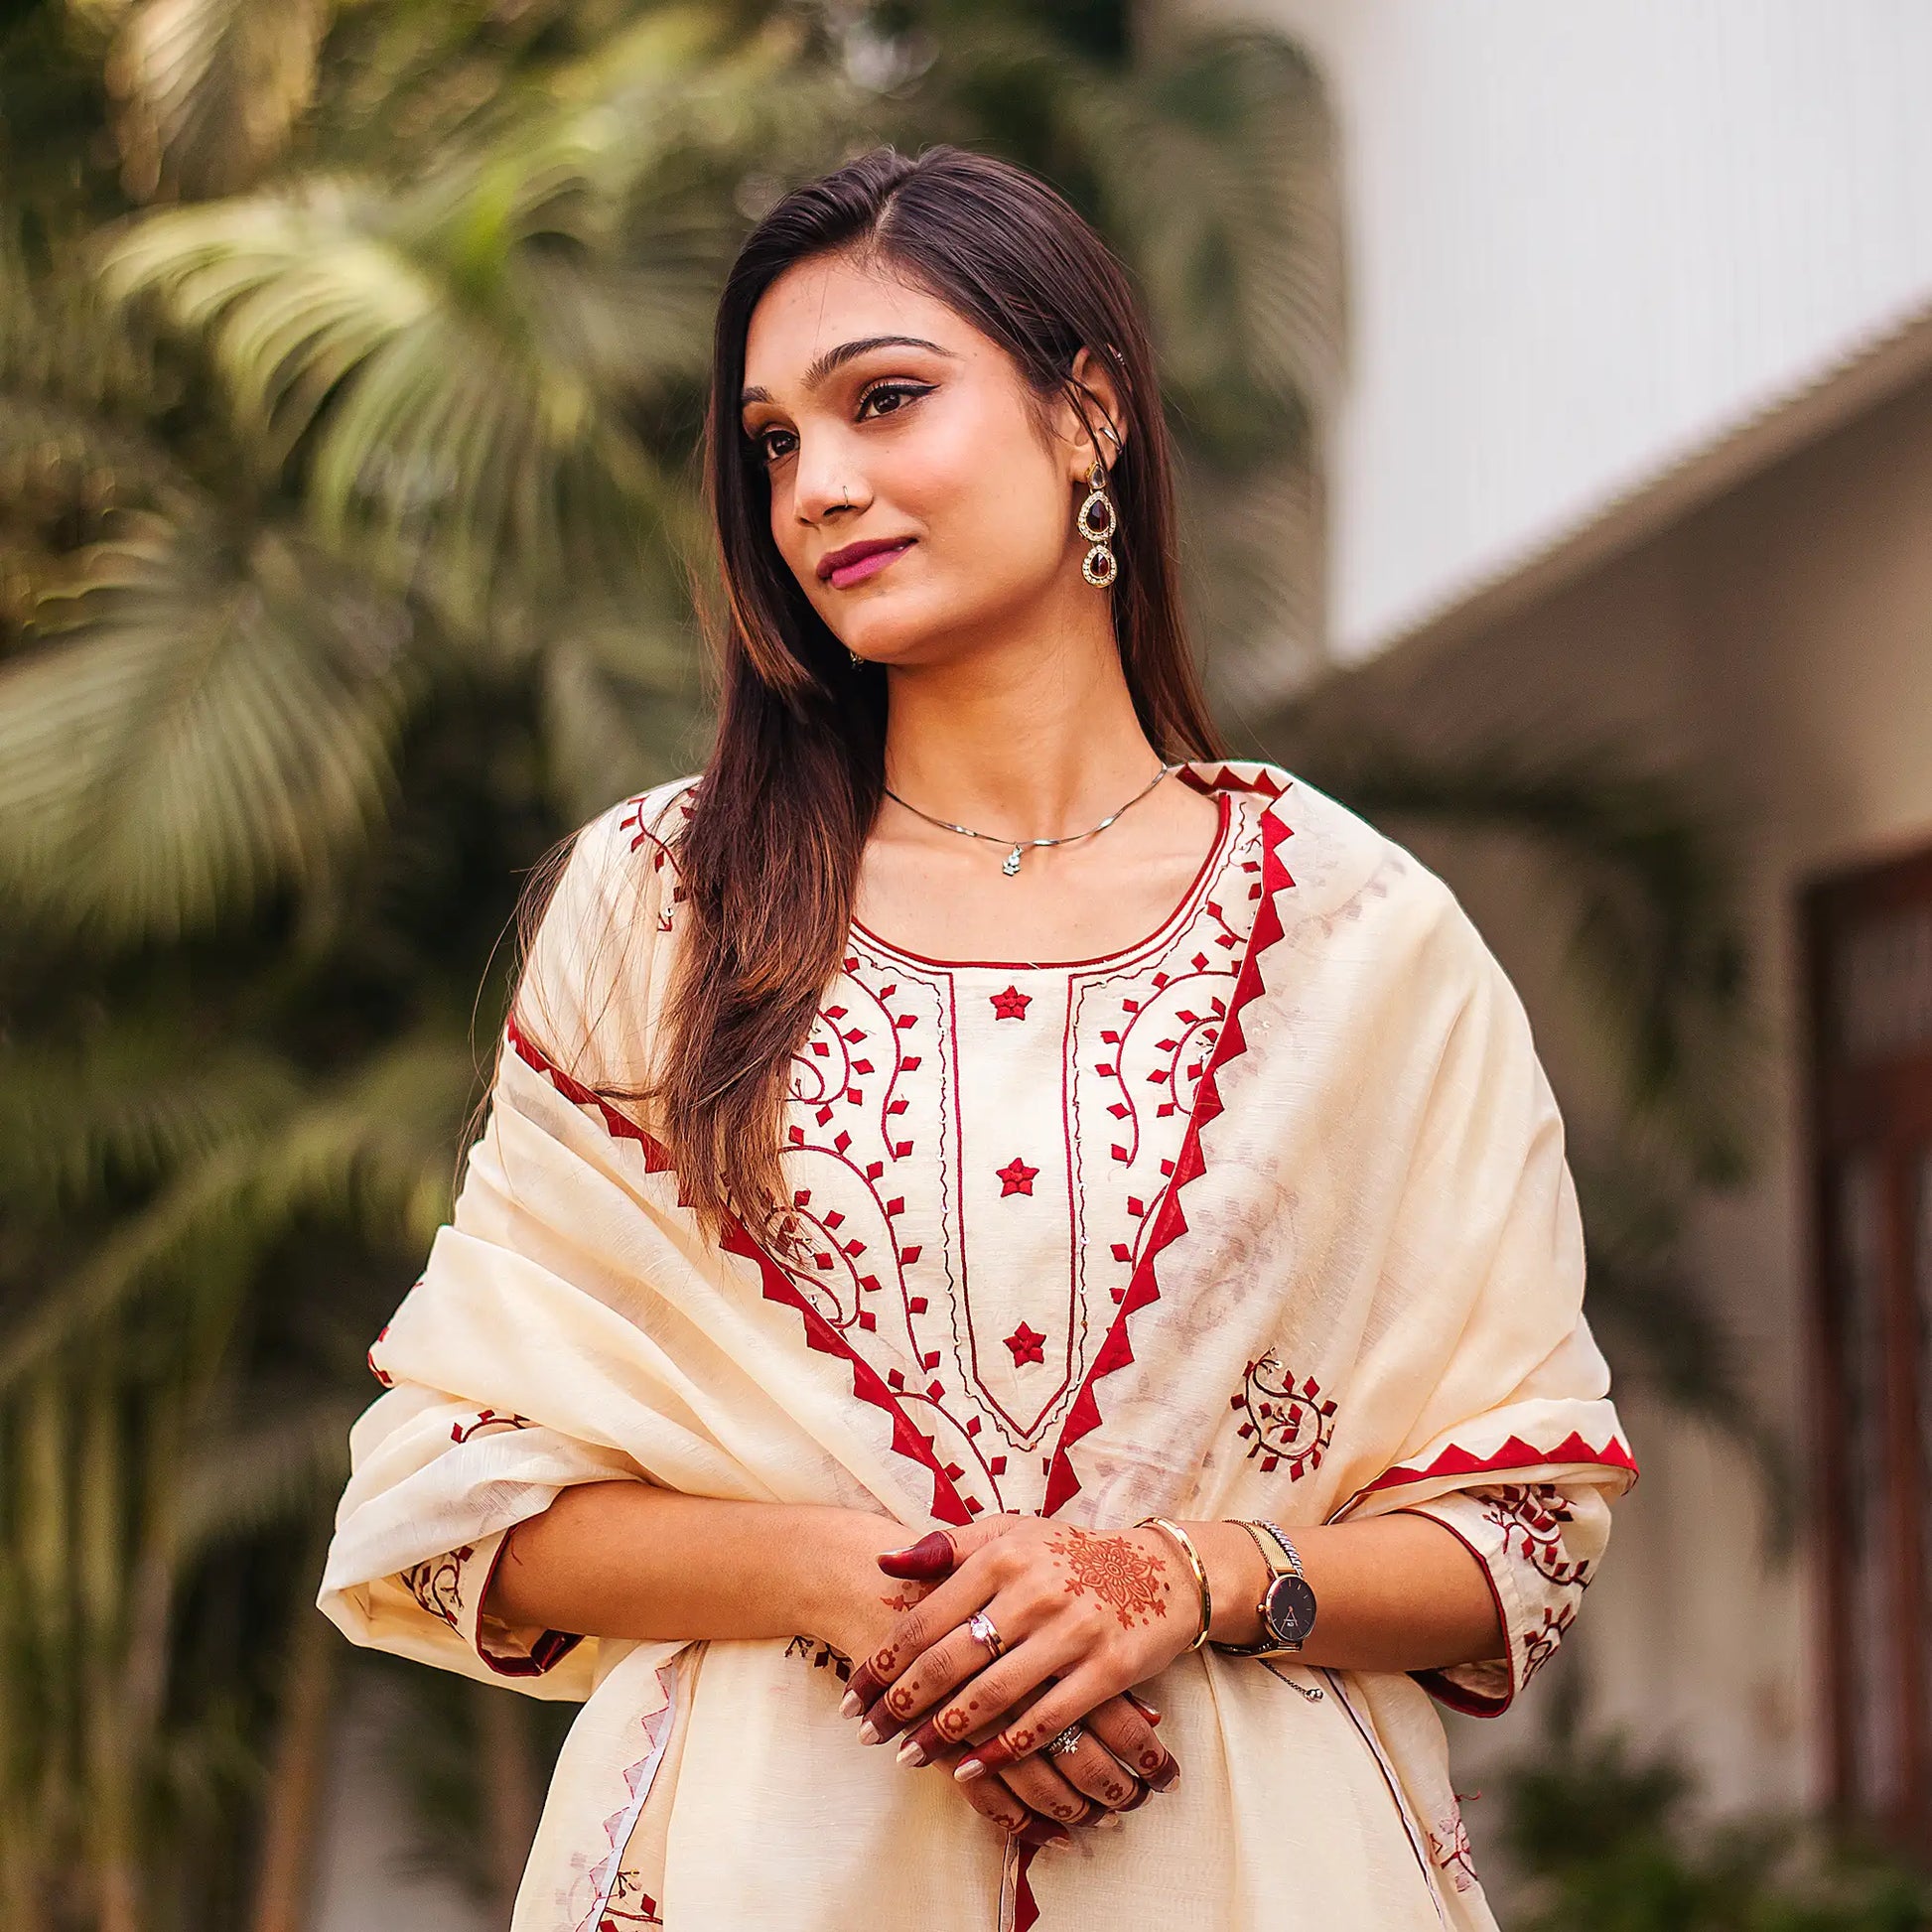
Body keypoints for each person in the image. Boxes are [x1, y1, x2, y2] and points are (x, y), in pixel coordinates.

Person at [319, 143, 1636, 1931]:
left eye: (883, 401)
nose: (818, 487)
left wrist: (1166, 1579)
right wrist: (850, 1581)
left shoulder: (1356, 934)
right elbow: (455, 1490)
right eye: (776, 441)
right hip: (755, 1867)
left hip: (1243, 1867)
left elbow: (1521, 1523)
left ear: (1083, 413)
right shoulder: (668, 902)